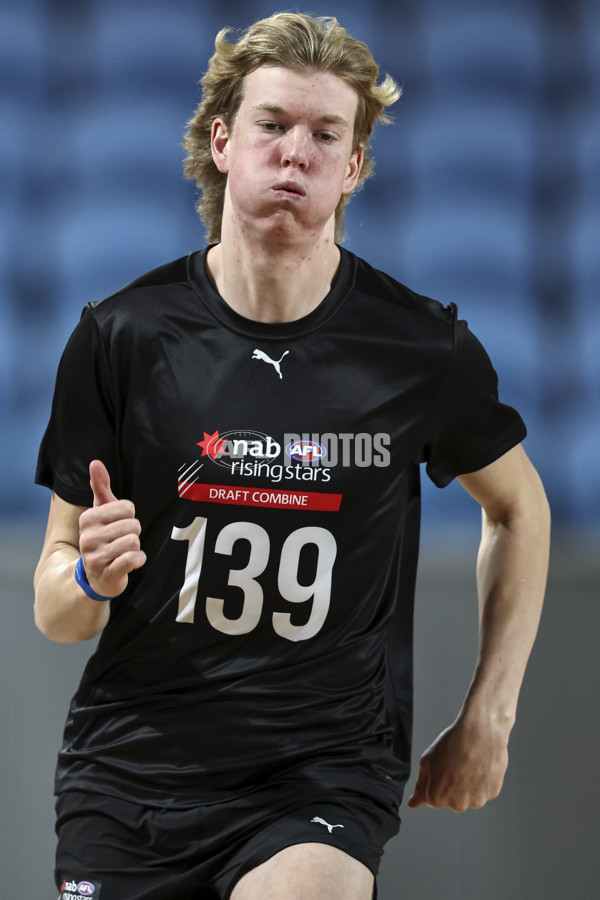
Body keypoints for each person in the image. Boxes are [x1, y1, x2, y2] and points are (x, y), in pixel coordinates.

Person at [34, 12, 550, 900]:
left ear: (352, 168)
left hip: (320, 773)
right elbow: (56, 608)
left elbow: (519, 508)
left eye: (326, 134)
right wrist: (90, 580)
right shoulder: (121, 337)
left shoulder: (420, 348)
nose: (296, 153)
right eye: (273, 125)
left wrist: (488, 714)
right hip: (133, 772)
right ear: (224, 142)